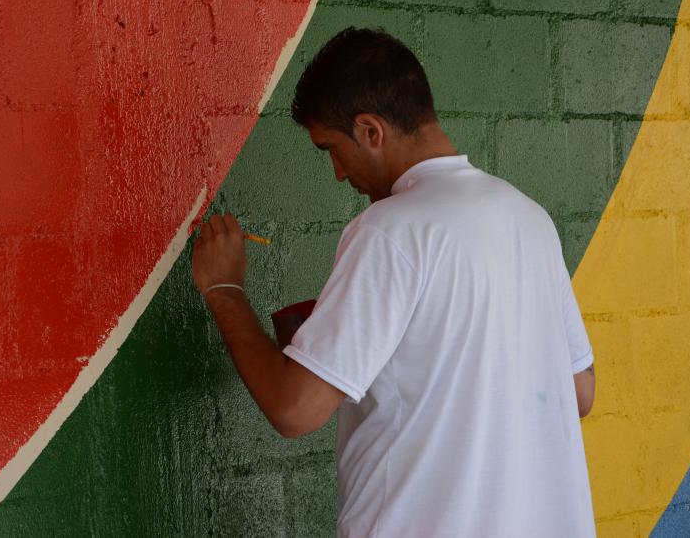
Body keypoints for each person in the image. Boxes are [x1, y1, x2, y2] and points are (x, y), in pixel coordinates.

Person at [191, 27, 596, 537]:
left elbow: (294, 410)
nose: (338, 173)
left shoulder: (389, 229)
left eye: (331, 149)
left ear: (370, 131)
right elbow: (580, 392)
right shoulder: (530, 218)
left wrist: (224, 291)